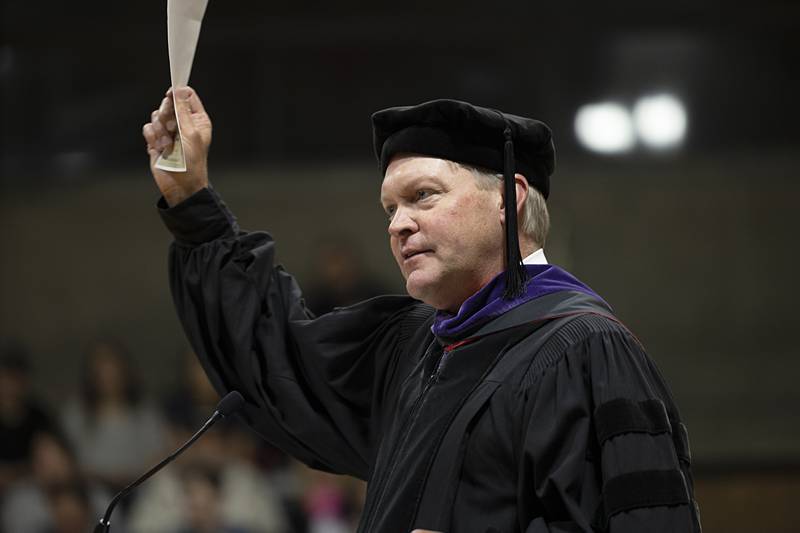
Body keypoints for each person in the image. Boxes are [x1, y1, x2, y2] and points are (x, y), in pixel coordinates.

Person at [142, 87, 701, 532]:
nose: (397, 224)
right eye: (390, 207)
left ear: (511, 198)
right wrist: (191, 200)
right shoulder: (413, 348)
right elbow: (280, 358)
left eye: (423, 196)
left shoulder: (585, 352)